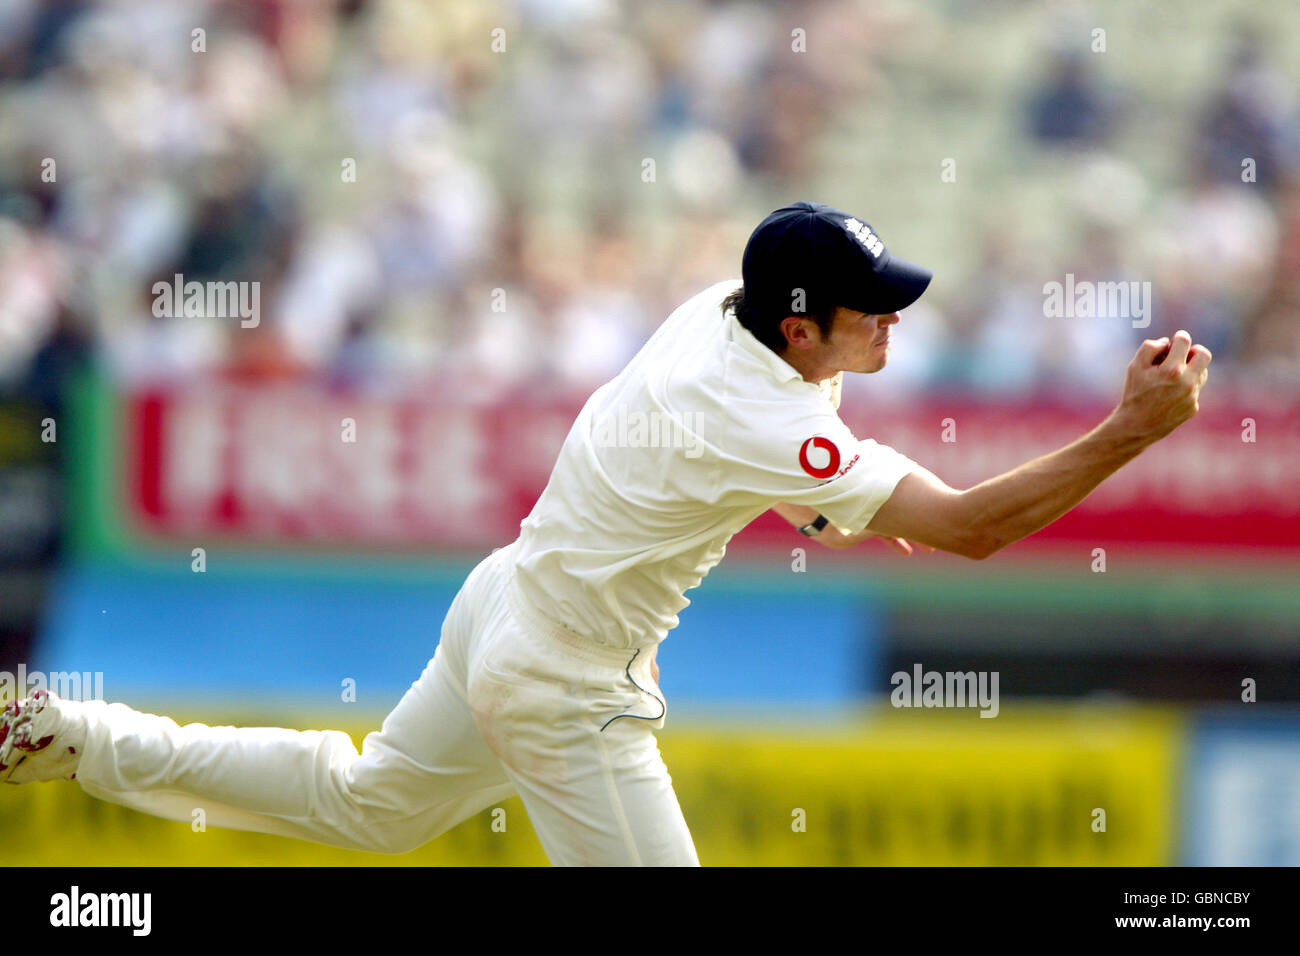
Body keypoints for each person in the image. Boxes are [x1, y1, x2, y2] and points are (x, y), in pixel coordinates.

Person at [0, 201, 1211, 866]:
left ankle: (69, 730)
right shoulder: (765, 416)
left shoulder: (720, 312)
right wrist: (1129, 429)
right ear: (798, 332)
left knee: (365, 806)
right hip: (564, 676)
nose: (890, 325)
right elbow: (968, 530)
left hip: (506, 606)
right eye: (868, 311)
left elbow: (831, 455)